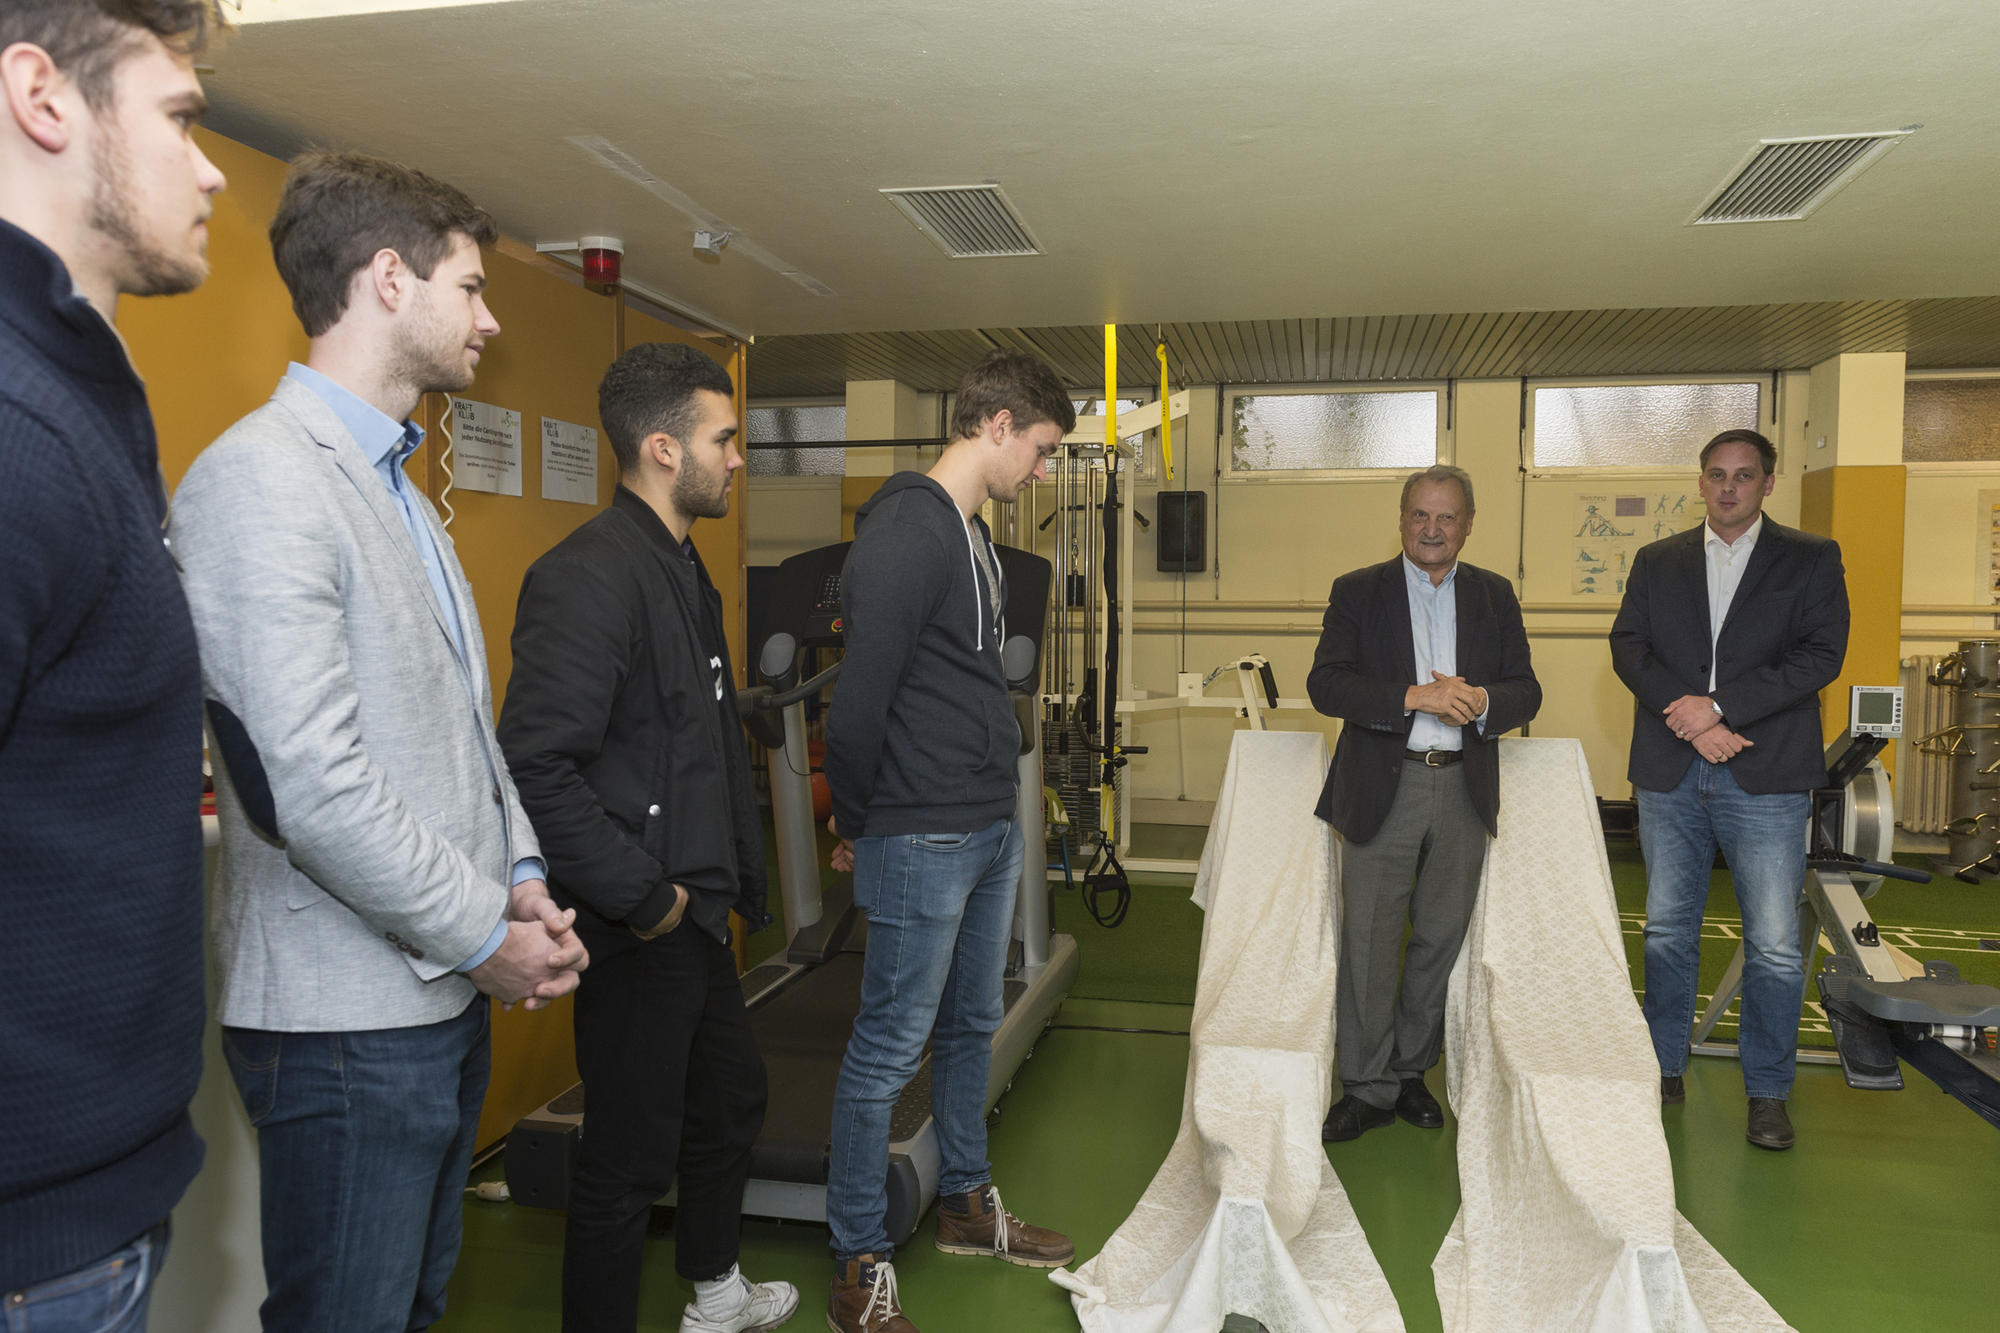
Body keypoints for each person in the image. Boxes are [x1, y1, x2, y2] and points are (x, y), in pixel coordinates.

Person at [171, 150, 586, 1330]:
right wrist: (479, 937)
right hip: (341, 1020)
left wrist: (516, 879)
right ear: (389, 279)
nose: (491, 318)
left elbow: (461, 723)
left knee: (412, 1308)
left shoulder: (401, 486)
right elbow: (308, 781)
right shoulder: (260, 481)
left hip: (430, 999)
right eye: (471, 287)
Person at [0, 1, 225, 1323]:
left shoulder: (74, 391)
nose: (209, 170)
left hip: (80, 1224)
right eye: (181, 119)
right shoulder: (17, 424)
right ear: (43, 99)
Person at [497, 342, 796, 1333]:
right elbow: (537, 765)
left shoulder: (678, 564)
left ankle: (713, 1291)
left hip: (695, 913)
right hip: (643, 921)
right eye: (725, 438)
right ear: (663, 448)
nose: (738, 457)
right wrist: (647, 896)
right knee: (626, 1158)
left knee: (728, 1100)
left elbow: (682, 730)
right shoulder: (588, 576)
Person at [820, 349, 1075, 1333]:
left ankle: (965, 1202)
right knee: (887, 1049)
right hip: (921, 831)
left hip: (983, 823)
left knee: (971, 1024)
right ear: (997, 426)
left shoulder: (966, 532)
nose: (1041, 472)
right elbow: (856, 707)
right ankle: (856, 1261)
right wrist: (858, 820)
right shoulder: (904, 532)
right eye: (1041, 451)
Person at [1609, 427, 1848, 1151]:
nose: (1728, 487)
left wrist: (1722, 708)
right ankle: (1663, 1066)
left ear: (1768, 483)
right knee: (1668, 929)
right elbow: (1629, 647)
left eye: (1744, 475)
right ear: (1702, 480)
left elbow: (1822, 654)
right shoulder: (1659, 561)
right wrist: (1691, 719)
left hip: (1767, 773)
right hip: (1672, 772)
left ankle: (1768, 1090)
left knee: (1774, 944)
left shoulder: (1810, 558)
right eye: (1716, 474)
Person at [1307, 464, 1541, 1142]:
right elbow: (1327, 684)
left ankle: (1410, 1071)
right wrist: (1416, 696)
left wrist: (1486, 701)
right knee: (1371, 939)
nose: (1432, 529)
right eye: (1420, 515)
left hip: (1463, 785)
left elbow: (1527, 688)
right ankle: (1366, 1083)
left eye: (1446, 517)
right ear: (1402, 519)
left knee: (1439, 937)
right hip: (1388, 780)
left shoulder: (1495, 596)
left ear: (1470, 523)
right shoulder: (1358, 592)